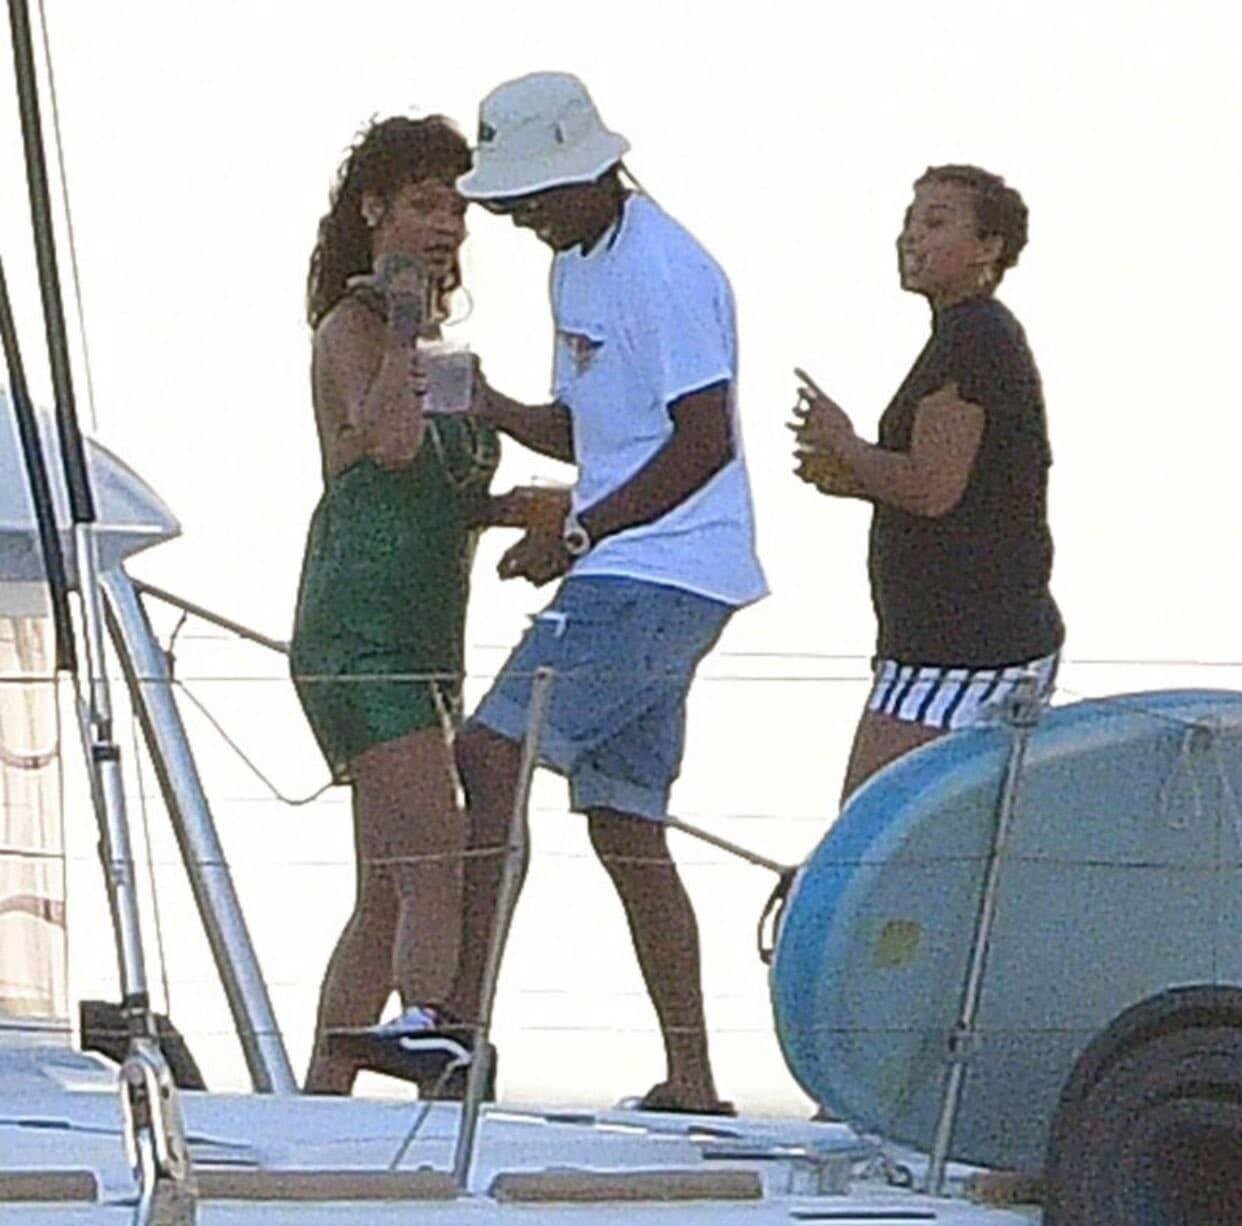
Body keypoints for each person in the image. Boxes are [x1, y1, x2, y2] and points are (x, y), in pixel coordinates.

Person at [439, 71, 767, 1114]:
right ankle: (693, 1077)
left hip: (658, 568)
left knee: (491, 750)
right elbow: (597, 431)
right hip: (655, 568)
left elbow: (705, 441)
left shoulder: (663, 267)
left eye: (532, 197)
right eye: (509, 203)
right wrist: (495, 406)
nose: (522, 218)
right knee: (625, 822)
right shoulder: (576, 264)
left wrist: (579, 532)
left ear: (588, 172)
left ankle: (455, 1025)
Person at [291, 115, 502, 1094]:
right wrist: (403, 326)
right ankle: (428, 1036)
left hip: (428, 625)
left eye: (456, 207)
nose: (445, 223)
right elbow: (388, 445)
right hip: (361, 625)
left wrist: (527, 509)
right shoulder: (352, 329)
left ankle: (320, 1094)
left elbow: (449, 486)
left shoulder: (444, 351)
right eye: (425, 203)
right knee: (437, 847)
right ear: (376, 209)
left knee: (384, 887)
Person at [792, 164, 1064, 803]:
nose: (912, 237)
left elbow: (932, 488)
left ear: (988, 247)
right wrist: (857, 477)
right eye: (910, 222)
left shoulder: (975, 340)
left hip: (963, 649)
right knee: (909, 830)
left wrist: (847, 443)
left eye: (936, 222)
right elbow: (966, 488)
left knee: (871, 824)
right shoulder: (967, 337)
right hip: (948, 642)